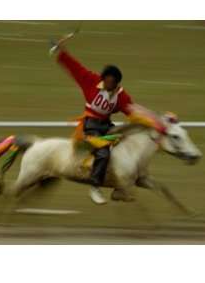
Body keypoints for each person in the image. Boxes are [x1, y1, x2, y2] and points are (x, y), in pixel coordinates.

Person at [54, 43, 166, 204]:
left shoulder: (120, 96)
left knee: (125, 142)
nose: (108, 84)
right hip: (90, 125)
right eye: (106, 80)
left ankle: (120, 185)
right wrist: (62, 53)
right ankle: (94, 187)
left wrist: (153, 122)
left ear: (116, 83)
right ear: (102, 78)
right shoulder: (90, 81)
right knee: (103, 152)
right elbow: (75, 68)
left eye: (111, 82)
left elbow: (133, 112)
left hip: (106, 125)